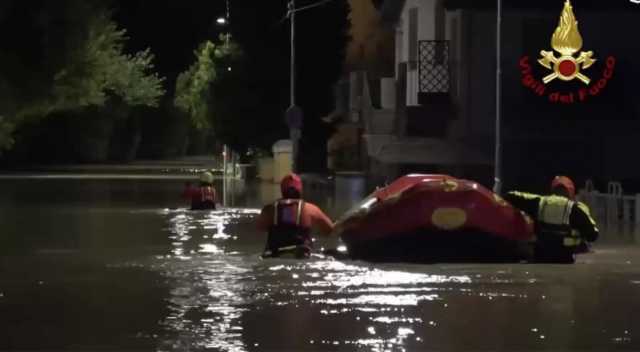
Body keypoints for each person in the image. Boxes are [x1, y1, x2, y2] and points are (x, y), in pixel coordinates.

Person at [504, 176, 599, 263]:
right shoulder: (576, 209)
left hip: (540, 258)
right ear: (571, 192)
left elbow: (510, 195)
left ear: (553, 190)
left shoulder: (540, 201)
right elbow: (593, 235)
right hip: (564, 260)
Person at [256, 173, 334, 258]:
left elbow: (260, 228)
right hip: (301, 254)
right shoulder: (310, 209)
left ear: (282, 190)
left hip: (274, 252)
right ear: (300, 190)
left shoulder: (269, 209)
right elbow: (329, 230)